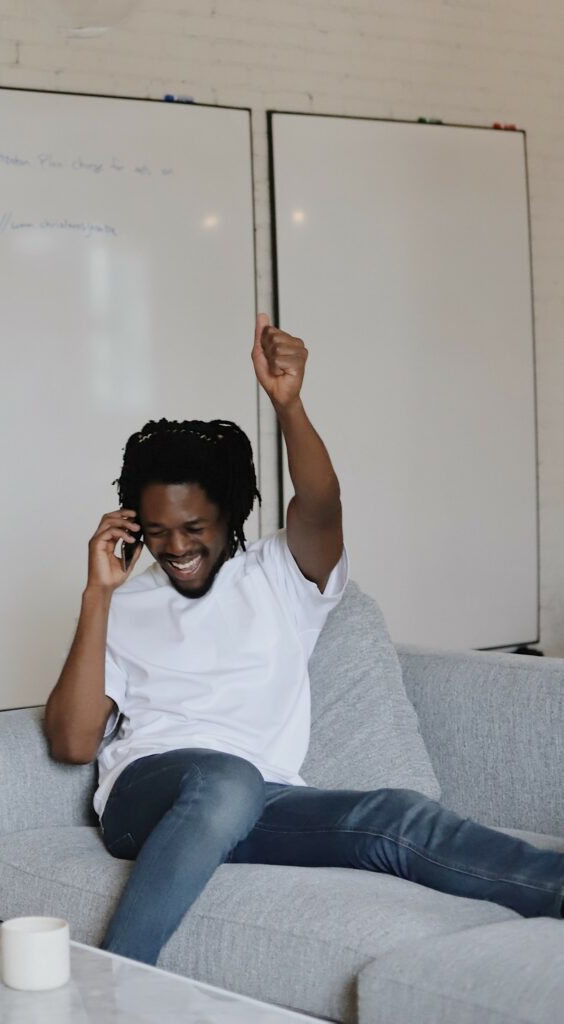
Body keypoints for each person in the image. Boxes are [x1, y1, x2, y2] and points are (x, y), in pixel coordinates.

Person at [43, 313, 564, 967]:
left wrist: (288, 403)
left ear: (230, 512)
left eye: (194, 526)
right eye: (156, 529)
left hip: (264, 799)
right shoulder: (123, 602)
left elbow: (321, 503)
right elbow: (71, 743)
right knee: (225, 777)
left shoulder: (277, 574)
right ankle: (108, 982)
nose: (175, 546)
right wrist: (97, 596)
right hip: (148, 798)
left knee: (395, 817)